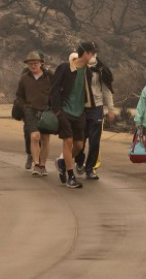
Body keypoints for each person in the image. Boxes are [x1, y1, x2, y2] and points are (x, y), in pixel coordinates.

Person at [51, 41, 98, 189]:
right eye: (92, 53)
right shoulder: (65, 67)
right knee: (68, 142)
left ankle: (63, 163)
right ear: (85, 53)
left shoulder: (88, 72)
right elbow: (54, 88)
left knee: (79, 144)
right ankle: (71, 176)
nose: (94, 56)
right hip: (65, 111)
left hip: (80, 112)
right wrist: (57, 110)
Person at [74, 54, 117, 180]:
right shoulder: (78, 66)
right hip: (81, 108)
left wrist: (111, 109)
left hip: (97, 108)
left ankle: (90, 169)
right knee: (80, 139)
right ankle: (79, 161)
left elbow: (107, 90)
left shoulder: (101, 70)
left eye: (92, 52)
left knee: (94, 140)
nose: (90, 55)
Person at [14, 51, 52, 177]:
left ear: (41, 63)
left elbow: (57, 92)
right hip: (30, 111)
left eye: (35, 63)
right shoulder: (24, 78)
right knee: (34, 136)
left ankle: (43, 165)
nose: (33, 66)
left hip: (46, 111)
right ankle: (36, 165)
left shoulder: (49, 76)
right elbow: (19, 95)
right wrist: (25, 108)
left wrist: (53, 108)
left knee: (45, 139)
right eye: (30, 64)